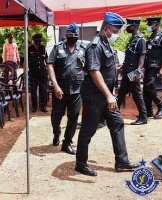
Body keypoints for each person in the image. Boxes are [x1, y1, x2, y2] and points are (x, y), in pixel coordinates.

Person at [75, 12, 139, 176]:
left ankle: (122, 161)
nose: (116, 34)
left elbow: (107, 70)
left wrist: (111, 92)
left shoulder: (106, 43)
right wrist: (109, 95)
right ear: (105, 29)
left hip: (106, 95)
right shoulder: (95, 46)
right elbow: (94, 71)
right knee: (88, 129)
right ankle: (80, 164)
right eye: (115, 31)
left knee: (117, 123)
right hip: (94, 96)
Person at [47, 23, 84, 155]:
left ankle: (67, 142)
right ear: (66, 35)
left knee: (73, 118)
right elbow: (50, 65)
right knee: (56, 117)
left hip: (77, 90)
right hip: (60, 90)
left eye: (75, 35)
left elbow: (88, 68)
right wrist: (55, 85)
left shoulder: (83, 48)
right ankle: (56, 133)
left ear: (78, 36)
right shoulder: (58, 48)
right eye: (70, 35)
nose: (73, 37)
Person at [117, 18, 147, 125]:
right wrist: (122, 65)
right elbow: (130, 56)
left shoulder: (140, 39)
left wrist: (138, 71)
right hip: (127, 71)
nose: (127, 28)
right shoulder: (132, 39)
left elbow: (142, 56)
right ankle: (114, 114)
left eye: (129, 26)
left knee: (136, 94)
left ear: (134, 26)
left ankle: (143, 117)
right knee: (120, 93)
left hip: (133, 72)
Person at [143, 17, 162, 119]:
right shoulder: (151, 36)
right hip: (149, 65)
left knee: (149, 86)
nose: (149, 26)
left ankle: (161, 106)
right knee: (146, 88)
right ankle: (148, 111)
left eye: (151, 24)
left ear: (157, 24)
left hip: (157, 65)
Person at [29, 34, 48, 113]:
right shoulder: (29, 49)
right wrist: (25, 72)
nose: (39, 42)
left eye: (40, 40)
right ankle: (34, 107)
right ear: (34, 40)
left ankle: (43, 106)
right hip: (33, 73)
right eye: (37, 40)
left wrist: (49, 69)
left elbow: (46, 60)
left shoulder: (43, 48)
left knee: (43, 90)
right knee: (33, 91)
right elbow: (26, 61)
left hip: (42, 73)